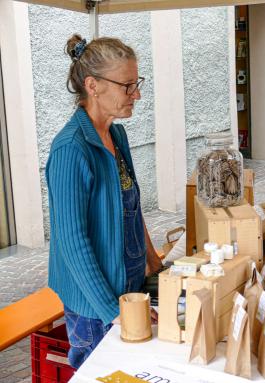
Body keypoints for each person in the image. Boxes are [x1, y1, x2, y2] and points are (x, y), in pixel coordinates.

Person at [46, 34, 163, 368]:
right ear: (92, 85)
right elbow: (72, 242)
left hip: (130, 290)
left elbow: (131, 207)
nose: (137, 94)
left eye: (136, 83)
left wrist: (155, 266)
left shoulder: (117, 134)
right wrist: (112, 311)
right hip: (95, 306)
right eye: (127, 85)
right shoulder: (71, 149)